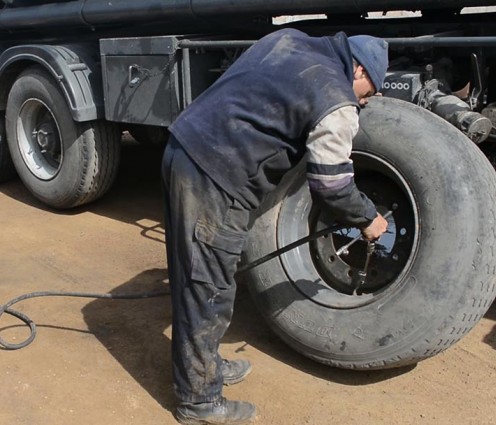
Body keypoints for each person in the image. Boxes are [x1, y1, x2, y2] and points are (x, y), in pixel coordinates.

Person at [161, 28, 390, 425]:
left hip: (187, 147)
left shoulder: (290, 40)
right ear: (357, 68)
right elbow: (331, 185)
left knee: (205, 276)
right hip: (217, 176)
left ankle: (206, 364)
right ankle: (198, 401)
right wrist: (368, 217)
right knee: (207, 286)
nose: (365, 100)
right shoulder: (336, 97)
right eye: (368, 90)